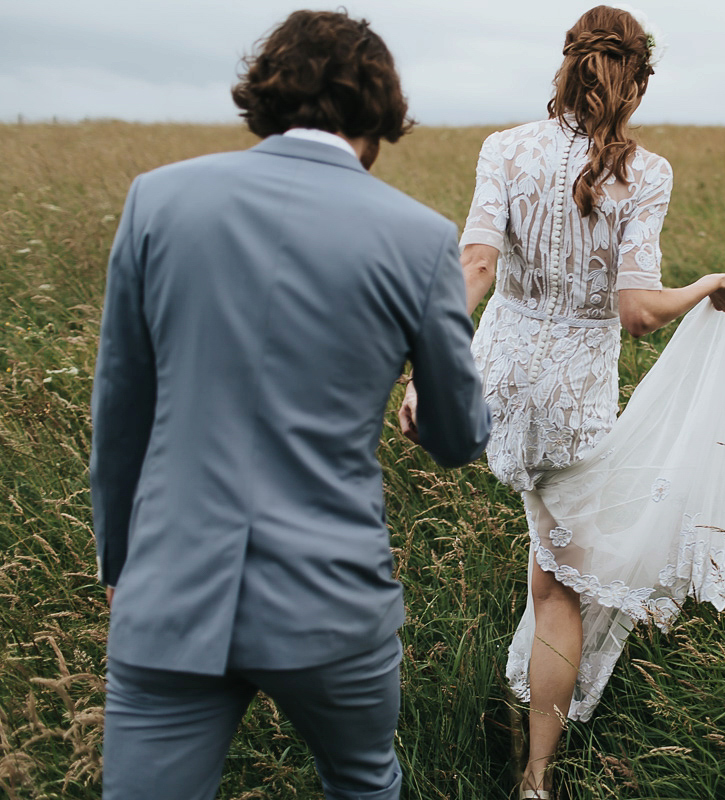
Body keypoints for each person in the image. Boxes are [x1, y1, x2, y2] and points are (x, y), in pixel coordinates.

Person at [90, 10, 490, 800]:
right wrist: (428, 406)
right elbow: (457, 438)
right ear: (378, 113)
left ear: (264, 99)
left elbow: (121, 409)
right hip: (331, 601)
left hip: (171, 589)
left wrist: (121, 562)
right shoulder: (419, 237)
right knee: (363, 783)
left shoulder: (158, 201)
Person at [398, 6, 725, 798]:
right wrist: (709, 285)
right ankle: (536, 779)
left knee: (552, 563)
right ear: (635, 81)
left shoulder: (503, 148)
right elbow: (636, 311)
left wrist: (429, 373)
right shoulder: (648, 173)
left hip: (495, 382)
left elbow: (475, 269)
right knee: (560, 584)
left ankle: (525, 715)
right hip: (571, 404)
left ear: (567, 65)